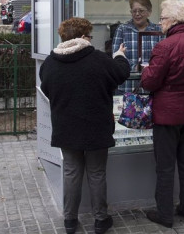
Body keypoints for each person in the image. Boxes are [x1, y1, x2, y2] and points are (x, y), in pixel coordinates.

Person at [40, 17, 130, 234]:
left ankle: (70, 221)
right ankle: (100, 220)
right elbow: (120, 73)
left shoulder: (50, 63)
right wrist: (120, 56)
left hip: (66, 127)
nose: (91, 39)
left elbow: (47, 89)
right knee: (97, 173)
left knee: (71, 172)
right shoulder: (97, 58)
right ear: (82, 37)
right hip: (96, 126)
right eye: (89, 35)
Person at [140, 0, 184, 228]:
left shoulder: (164, 47)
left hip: (167, 115)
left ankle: (165, 214)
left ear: (172, 20)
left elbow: (150, 82)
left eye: (162, 18)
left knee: (165, 166)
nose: (160, 23)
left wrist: (146, 70)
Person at [111, 0, 163, 92]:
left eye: (141, 11)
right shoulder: (122, 29)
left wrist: (150, 68)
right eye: (134, 11)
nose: (137, 14)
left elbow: (163, 57)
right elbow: (116, 56)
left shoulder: (158, 30)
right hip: (127, 87)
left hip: (151, 87)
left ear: (149, 12)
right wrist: (135, 67)